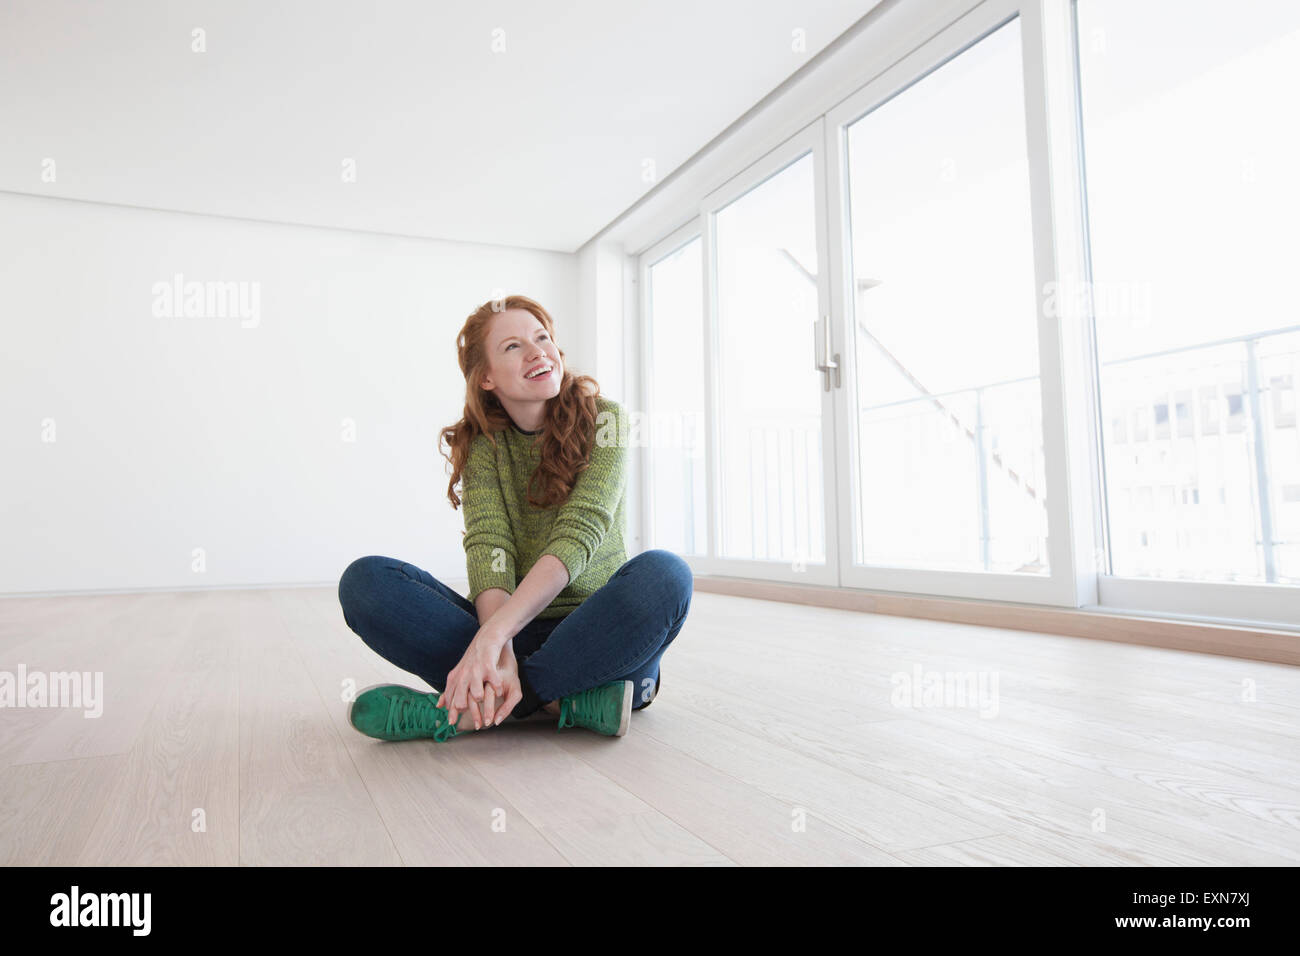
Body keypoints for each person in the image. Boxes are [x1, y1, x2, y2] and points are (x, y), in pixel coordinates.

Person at [337, 293, 693, 743]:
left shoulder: (607, 420)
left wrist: (491, 639)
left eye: (542, 337)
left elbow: (580, 532)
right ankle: (557, 700)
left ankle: (470, 712)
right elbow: (490, 547)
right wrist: (498, 644)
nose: (537, 351)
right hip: (513, 633)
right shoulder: (484, 446)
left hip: (594, 640)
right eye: (513, 346)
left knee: (666, 576)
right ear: (486, 378)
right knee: (365, 582)